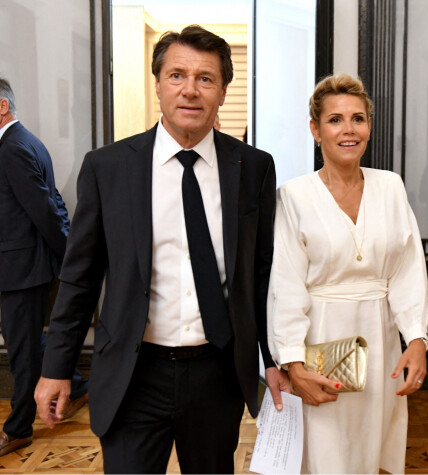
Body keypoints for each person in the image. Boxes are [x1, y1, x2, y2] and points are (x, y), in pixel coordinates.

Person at [34, 25, 288, 474]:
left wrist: (275, 358)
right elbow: (81, 277)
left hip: (218, 371)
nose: (190, 90)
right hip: (134, 373)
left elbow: (264, 274)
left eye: (205, 78)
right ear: (158, 85)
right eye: (177, 75)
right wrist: (56, 367)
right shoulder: (108, 167)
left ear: (223, 92)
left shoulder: (253, 168)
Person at [267, 73, 428, 474]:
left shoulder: (391, 186)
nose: (348, 129)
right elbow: (285, 284)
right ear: (315, 130)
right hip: (320, 344)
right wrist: (292, 361)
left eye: (358, 118)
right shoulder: (294, 195)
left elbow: (409, 270)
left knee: (373, 447)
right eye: (335, 119)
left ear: (369, 127)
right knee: (325, 452)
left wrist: (417, 338)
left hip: (382, 343)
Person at [0, 78, 88, 457]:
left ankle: (18, 428)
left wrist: (69, 258)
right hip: (22, 266)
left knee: (21, 353)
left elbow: (45, 209)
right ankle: (79, 385)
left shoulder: (13, 148)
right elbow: (51, 202)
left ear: (2, 107)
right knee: (27, 341)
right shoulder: (24, 142)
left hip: (22, 269)